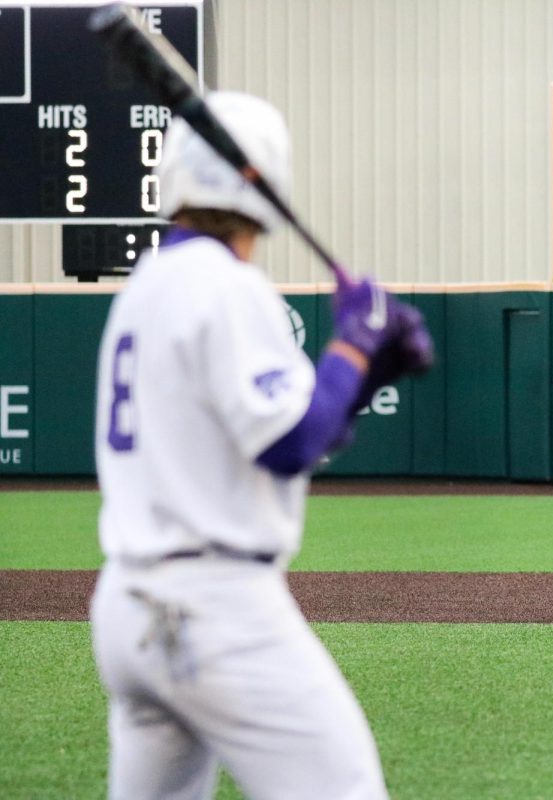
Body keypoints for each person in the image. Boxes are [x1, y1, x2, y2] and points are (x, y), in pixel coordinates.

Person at [89, 91, 432, 799]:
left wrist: (361, 374)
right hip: (213, 608)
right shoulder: (227, 287)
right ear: (267, 183)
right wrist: (353, 341)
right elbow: (291, 442)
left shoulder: (147, 286)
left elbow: (277, 433)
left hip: (127, 605)